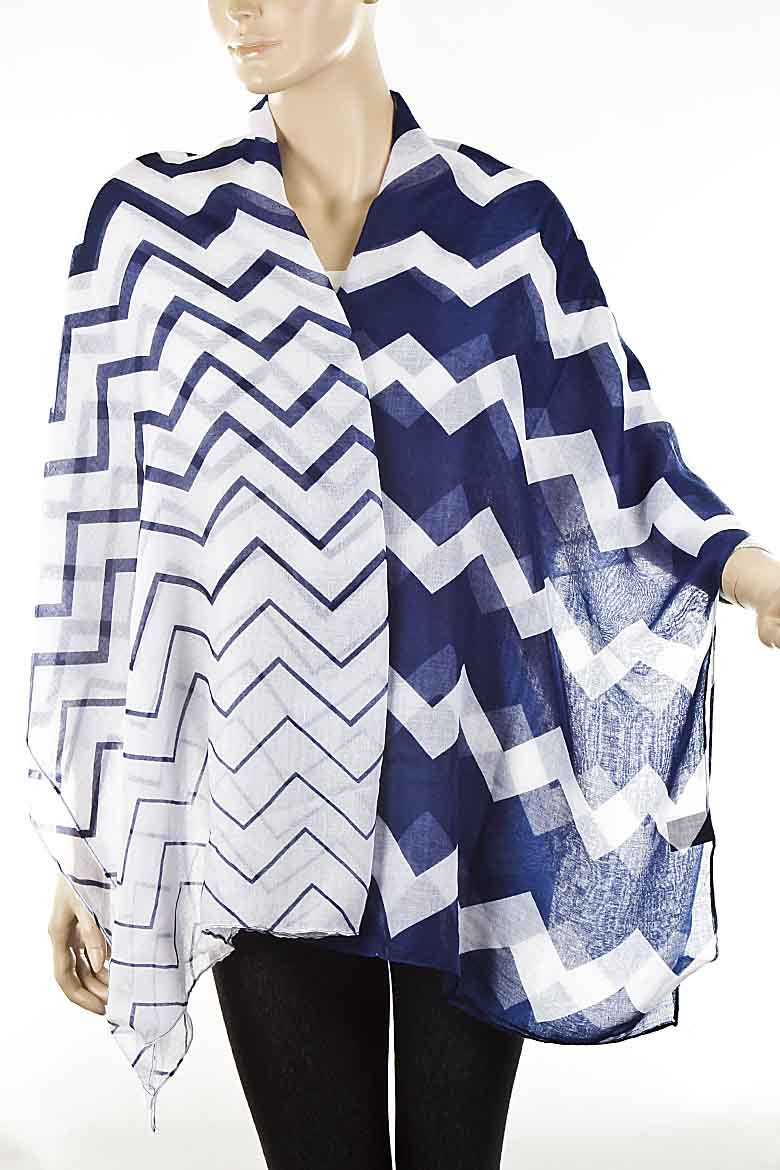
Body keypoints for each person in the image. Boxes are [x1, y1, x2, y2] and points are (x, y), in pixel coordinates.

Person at [36, 2, 780, 1167]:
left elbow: (621, 460)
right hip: (263, 798)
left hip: (467, 792)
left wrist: (752, 572)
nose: (236, 4)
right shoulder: (155, 232)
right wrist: (89, 842)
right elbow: (97, 540)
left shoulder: (504, 229)